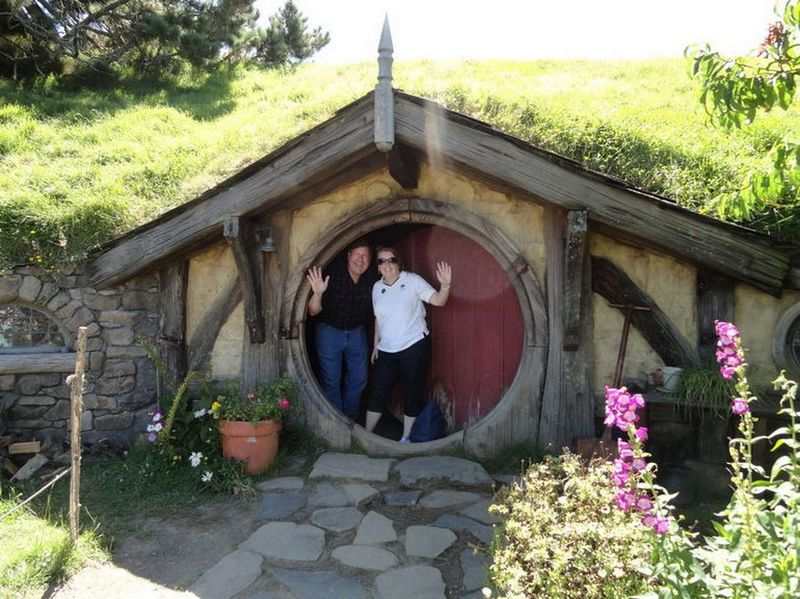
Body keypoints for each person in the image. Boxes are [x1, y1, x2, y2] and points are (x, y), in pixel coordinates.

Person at [366, 246, 452, 443]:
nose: (386, 264)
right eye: (381, 261)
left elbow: (438, 301)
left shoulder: (412, 280)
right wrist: (375, 345)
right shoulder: (376, 288)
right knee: (378, 392)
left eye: (391, 259)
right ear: (377, 267)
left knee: (412, 394)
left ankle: (405, 439)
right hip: (386, 349)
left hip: (414, 346)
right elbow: (378, 319)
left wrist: (445, 286)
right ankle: (366, 436)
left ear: (398, 262)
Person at [306, 240, 373, 419]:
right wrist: (318, 293)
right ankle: (337, 422)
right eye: (357, 255)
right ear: (348, 255)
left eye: (366, 256)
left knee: (359, 378)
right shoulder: (331, 275)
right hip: (330, 332)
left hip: (357, 333)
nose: (361, 260)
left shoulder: (371, 279)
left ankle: (350, 419)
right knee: (331, 379)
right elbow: (313, 311)